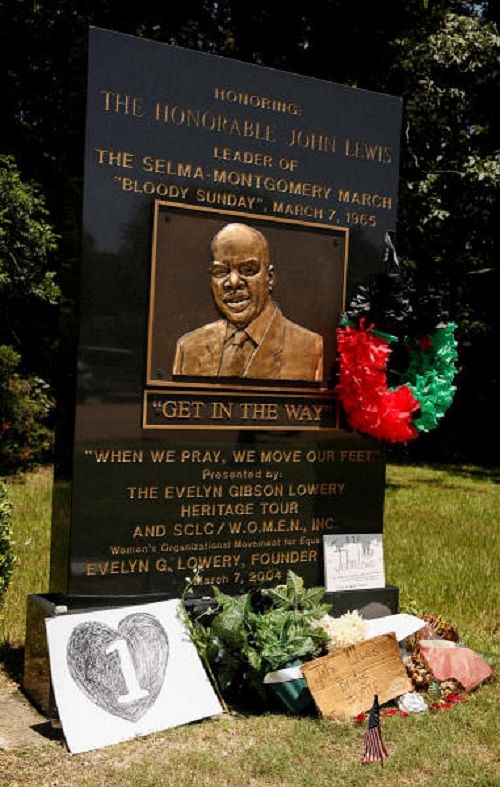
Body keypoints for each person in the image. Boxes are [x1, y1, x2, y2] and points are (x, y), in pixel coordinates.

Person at [172, 222, 323, 381]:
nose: (233, 282)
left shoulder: (311, 348)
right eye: (221, 272)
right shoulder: (189, 348)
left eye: (248, 270)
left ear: (269, 278)